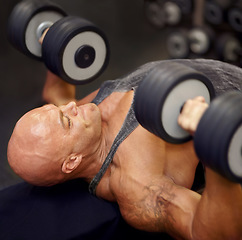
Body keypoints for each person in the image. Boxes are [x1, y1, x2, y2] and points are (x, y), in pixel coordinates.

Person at [7, 59, 242, 240]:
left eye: (54, 109)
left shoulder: (83, 120)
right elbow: (206, 233)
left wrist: (54, 51)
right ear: (72, 162)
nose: (69, 107)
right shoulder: (136, 186)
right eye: (64, 119)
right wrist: (212, 146)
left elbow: (58, 96)